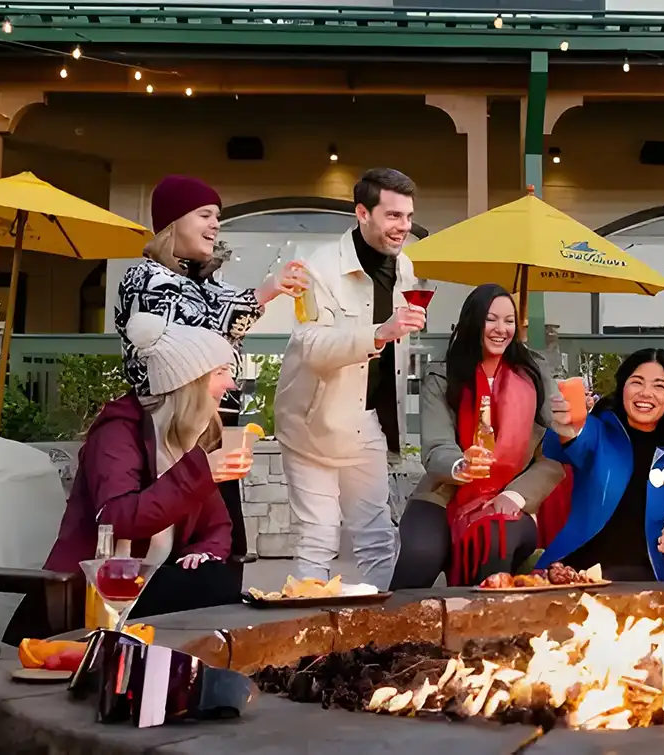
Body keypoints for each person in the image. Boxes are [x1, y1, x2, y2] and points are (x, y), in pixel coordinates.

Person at [114, 175, 306, 579]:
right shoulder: (146, 279)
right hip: (168, 422)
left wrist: (263, 293)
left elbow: (227, 322)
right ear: (172, 223)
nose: (216, 223)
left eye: (217, 215)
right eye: (204, 214)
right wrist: (262, 294)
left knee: (224, 528)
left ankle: (217, 614)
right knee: (180, 529)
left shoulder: (206, 280)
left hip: (213, 416)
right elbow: (189, 338)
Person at [41, 313, 253, 622]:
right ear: (188, 382)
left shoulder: (185, 435)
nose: (230, 383)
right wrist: (199, 473)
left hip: (147, 577)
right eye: (220, 372)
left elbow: (217, 525)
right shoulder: (118, 431)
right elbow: (116, 520)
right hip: (93, 590)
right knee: (214, 590)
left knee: (216, 579)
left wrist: (204, 552)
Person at [274, 168, 426, 589]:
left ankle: (386, 634)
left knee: (378, 538)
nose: (404, 227)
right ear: (363, 212)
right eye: (394, 216)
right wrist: (380, 332)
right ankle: (308, 637)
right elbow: (311, 346)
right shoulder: (315, 269)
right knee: (318, 539)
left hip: (367, 420)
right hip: (310, 424)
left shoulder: (405, 266)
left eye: (409, 216)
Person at [391, 285, 566, 588]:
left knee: (493, 539)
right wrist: (461, 465)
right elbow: (436, 447)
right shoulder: (443, 374)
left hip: (510, 494)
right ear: (473, 322)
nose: (501, 329)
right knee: (421, 553)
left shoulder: (534, 372)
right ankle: (392, 631)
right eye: (491, 319)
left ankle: (483, 630)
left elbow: (554, 452)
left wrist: (516, 495)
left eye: (509, 321)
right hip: (445, 494)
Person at [539, 348, 664, 582]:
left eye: (659, 386)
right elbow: (567, 445)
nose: (646, 393)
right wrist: (568, 427)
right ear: (623, 387)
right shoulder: (599, 431)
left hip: (643, 573)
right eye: (637, 382)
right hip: (578, 568)